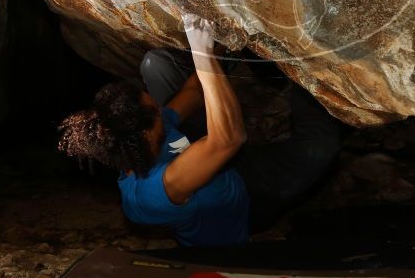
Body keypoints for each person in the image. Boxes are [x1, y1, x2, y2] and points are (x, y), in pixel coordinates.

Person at [58, 14, 341, 246]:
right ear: (144, 133)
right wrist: (202, 55)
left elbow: (192, 92)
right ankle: (297, 84)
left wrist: (217, 50)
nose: (160, 106)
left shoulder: (139, 141)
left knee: (158, 65)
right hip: (250, 200)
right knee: (322, 143)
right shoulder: (155, 190)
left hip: (224, 165)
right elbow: (229, 138)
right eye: (155, 109)